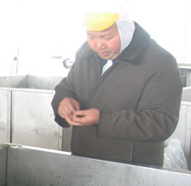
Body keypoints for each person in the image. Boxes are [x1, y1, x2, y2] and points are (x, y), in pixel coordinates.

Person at [51, 10, 183, 167]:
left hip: (131, 167)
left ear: (125, 31)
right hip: (83, 160)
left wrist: (102, 120)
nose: (98, 45)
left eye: (107, 37)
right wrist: (63, 101)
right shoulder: (86, 52)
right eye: (91, 36)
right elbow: (68, 87)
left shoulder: (160, 62)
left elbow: (160, 123)